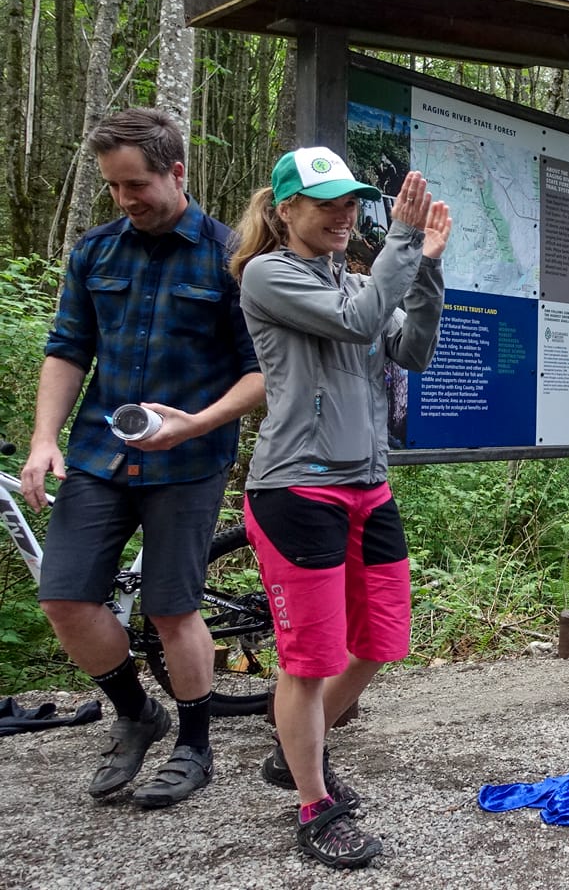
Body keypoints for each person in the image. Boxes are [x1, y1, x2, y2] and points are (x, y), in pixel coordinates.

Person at [19, 108, 264, 807]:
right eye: (114, 187)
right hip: (101, 453)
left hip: (190, 459)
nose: (126, 200)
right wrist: (45, 440)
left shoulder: (229, 255)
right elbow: (67, 350)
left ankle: (194, 743)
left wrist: (195, 427)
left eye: (137, 185)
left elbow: (259, 372)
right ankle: (136, 714)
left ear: (176, 171)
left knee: (169, 605)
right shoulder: (96, 252)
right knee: (65, 596)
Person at [230, 147, 449, 868]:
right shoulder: (269, 276)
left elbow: (410, 350)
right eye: (325, 202)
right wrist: (404, 247)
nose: (343, 213)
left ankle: (295, 751)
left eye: (350, 201)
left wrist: (428, 271)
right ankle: (313, 804)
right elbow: (357, 323)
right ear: (285, 210)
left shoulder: (358, 279)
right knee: (310, 659)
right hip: (297, 488)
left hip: (368, 485)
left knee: (381, 640)